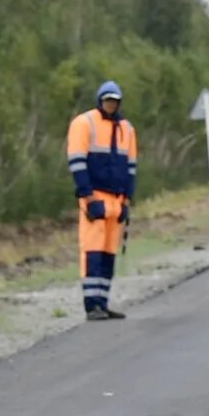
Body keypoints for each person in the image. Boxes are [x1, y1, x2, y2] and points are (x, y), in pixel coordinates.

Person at [65, 81, 140, 320]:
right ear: (100, 100)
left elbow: (131, 167)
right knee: (93, 252)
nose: (110, 104)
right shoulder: (84, 123)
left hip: (116, 201)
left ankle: (103, 302)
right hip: (95, 198)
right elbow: (77, 163)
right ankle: (92, 305)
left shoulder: (126, 129)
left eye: (114, 101)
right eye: (107, 100)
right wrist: (87, 196)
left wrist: (127, 200)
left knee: (108, 253)